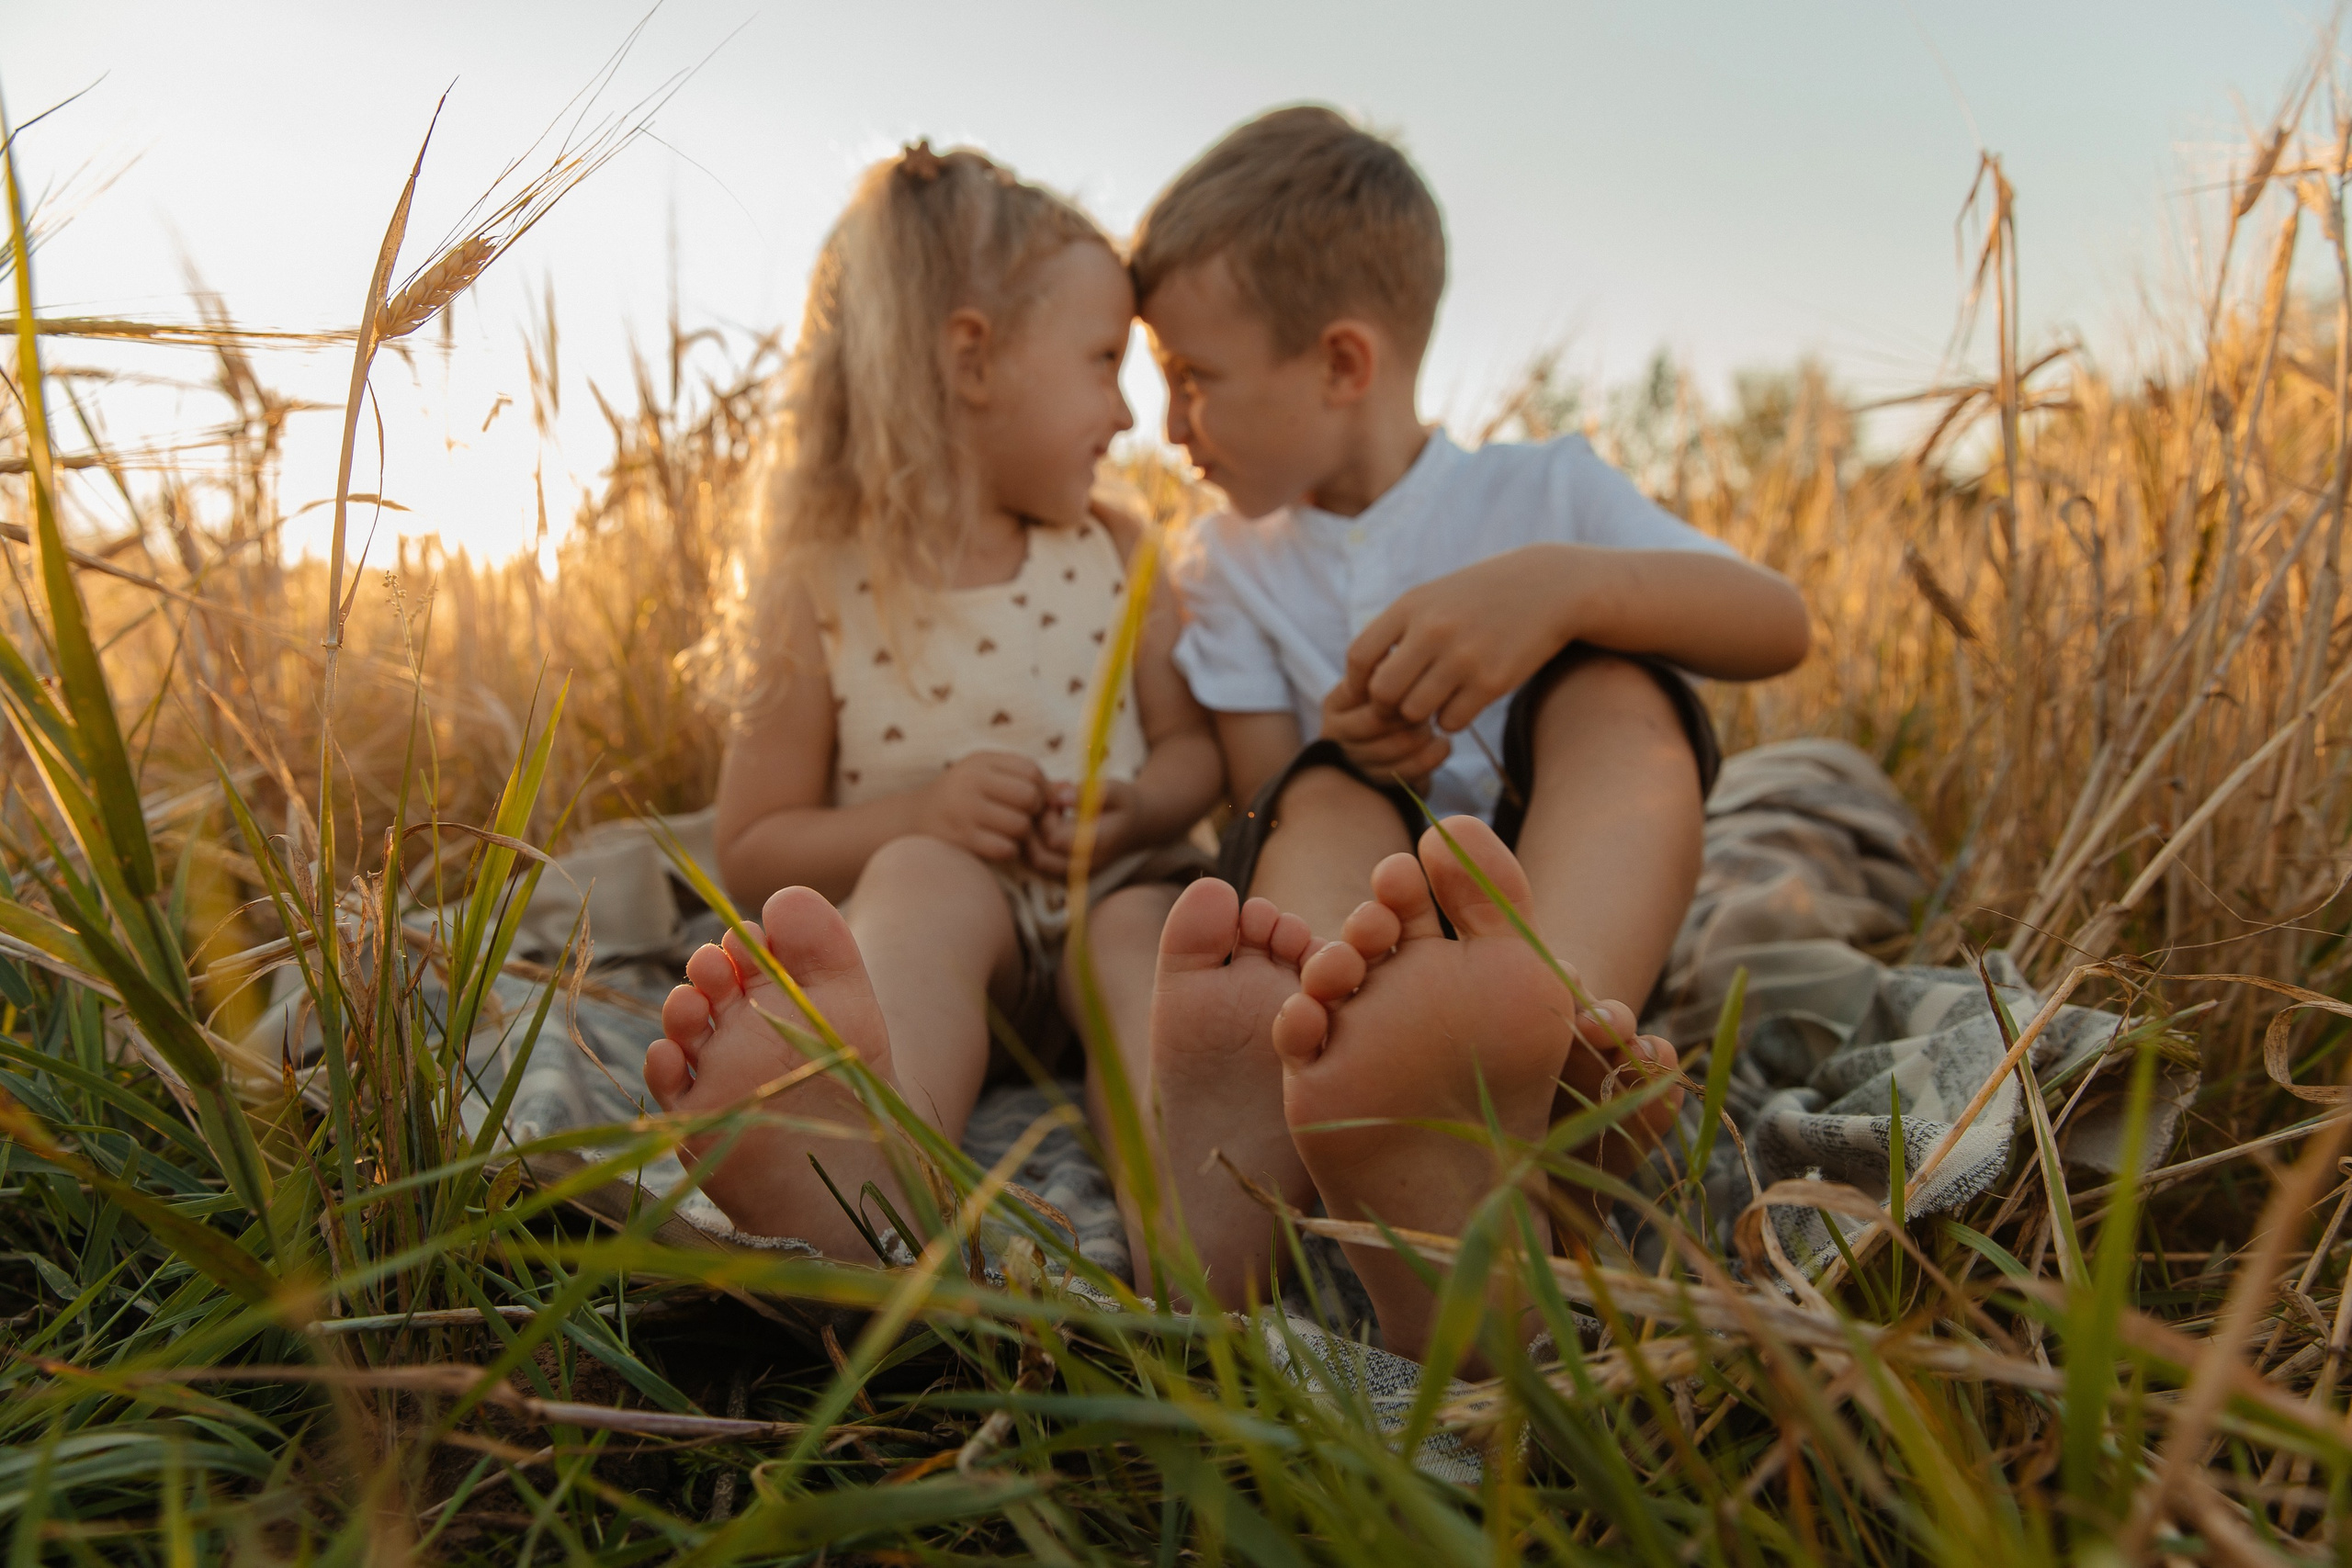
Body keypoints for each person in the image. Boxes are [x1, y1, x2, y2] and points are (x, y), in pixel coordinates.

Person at [1130, 107, 1812, 1357]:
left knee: (1627, 691)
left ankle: (1551, 1039)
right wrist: (1335, 743)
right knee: (1320, 792)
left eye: (1193, 378)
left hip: (1559, 899)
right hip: (1352, 908)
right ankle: (1326, 1104)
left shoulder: (1542, 494)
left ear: (1343, 361)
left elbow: (1776, 620)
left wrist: (1564, 588)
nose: (1168, 427)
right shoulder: (1222, 564)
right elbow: (1253, 793)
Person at [642, 142, 1226, 1265]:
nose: (1124, 415)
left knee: (1148, 928)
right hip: (966, 956)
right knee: (920, 885)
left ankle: (1189, 1209)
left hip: (1113, 892)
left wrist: (1143, 809)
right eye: (1104, 362)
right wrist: (919, 819)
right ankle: (874, 1164)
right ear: (973, 359)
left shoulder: (1118, 549)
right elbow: (753, 844)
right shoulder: (819, 582)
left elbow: (1200, 755)